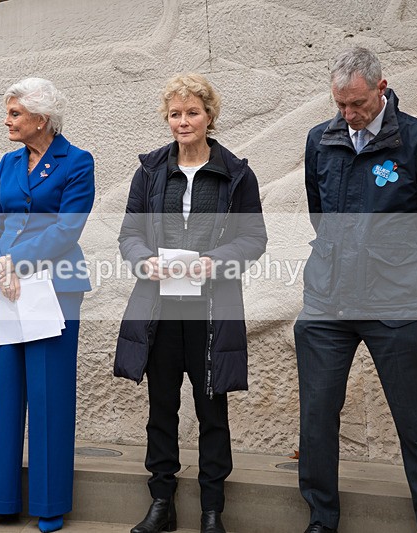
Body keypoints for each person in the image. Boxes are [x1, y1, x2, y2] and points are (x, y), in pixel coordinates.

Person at [295, 47, 417, 533]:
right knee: (317, 416)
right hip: (327, 302)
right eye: (340, 104)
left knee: (414, 418)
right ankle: (321, 519)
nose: (348, 114)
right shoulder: (320, 140)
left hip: (393, 304)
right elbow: (320, 214)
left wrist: (401, 269)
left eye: (358, 104)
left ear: (381, 89)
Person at [114, 73, 267, 533]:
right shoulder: (150, 171)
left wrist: (215, 262)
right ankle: (161, 503)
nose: (183, 121)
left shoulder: (236, 174)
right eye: (175, 114)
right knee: (161, 409)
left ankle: (212, 509)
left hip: (211, 311)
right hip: (160, 310)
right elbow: (129, 235)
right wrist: (144, 261)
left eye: (192, 113)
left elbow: (253, 238)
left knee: (211, 412)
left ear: (209, 116)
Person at [0, 78, 95, 533]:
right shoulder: (7, 163)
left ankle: (49, 503)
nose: (7, 120)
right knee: (7, 394)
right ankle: (0, 501)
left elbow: (67, 228)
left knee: (48, 395)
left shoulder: (77, 161)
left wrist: (14, 263)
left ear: (41, 119)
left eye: (15, 113)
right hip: (7, 289)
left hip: (54, 289)